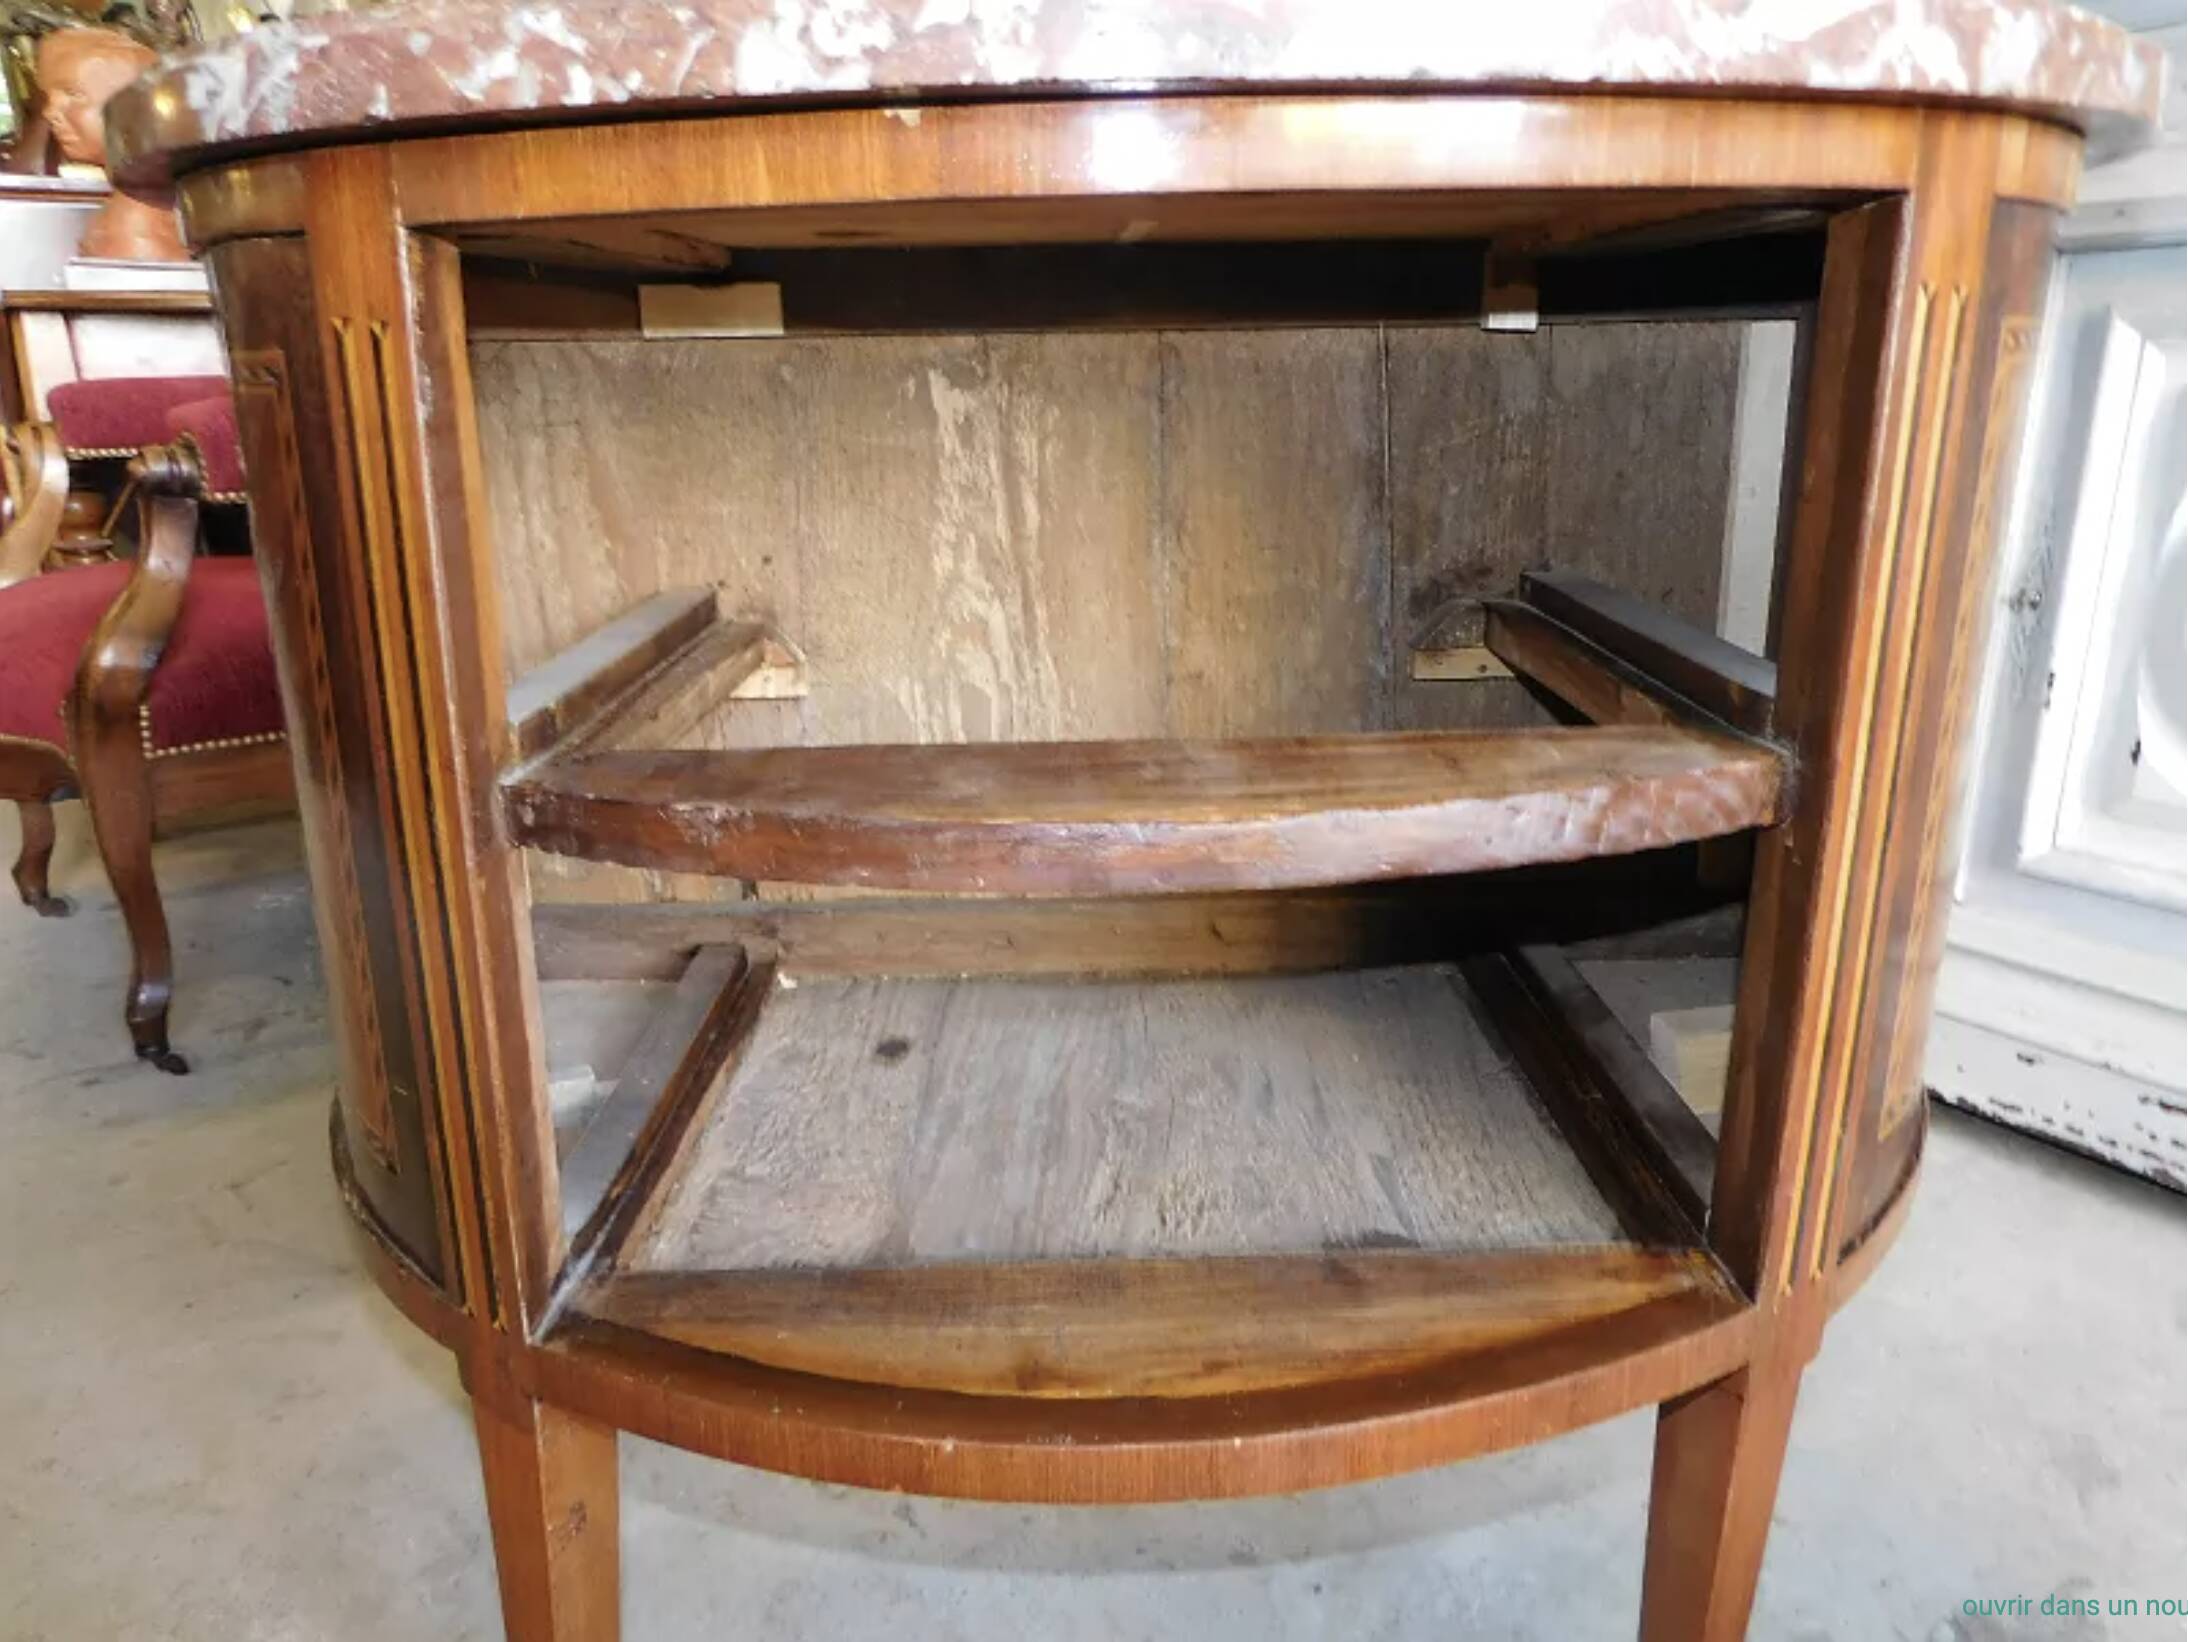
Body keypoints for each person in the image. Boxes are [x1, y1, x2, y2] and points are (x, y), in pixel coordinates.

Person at [36, 27, 190, 262]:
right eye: (51, 97)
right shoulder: (124, 210)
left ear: (132, 107)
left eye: (73, 94)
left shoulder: (137, 227)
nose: (50, 113)